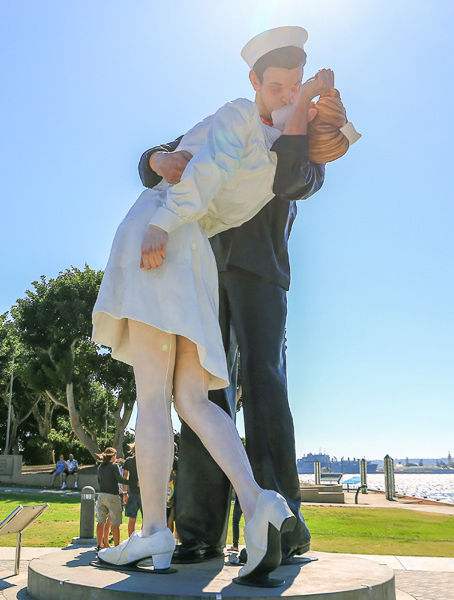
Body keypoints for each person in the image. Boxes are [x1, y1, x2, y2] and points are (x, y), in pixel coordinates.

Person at [92, 27, 343, 582]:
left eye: (291, 86)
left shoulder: (300, 135)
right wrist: (159, 158)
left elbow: (297, 181)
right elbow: (165, 160)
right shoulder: (233, 120)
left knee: (259, 384)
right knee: (204, 392)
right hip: (199, 261)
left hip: (255, 269)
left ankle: (284, 521)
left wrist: (306, 122)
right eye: (274, 84)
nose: (282, 94)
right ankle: (199, 533)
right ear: (257, 82)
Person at [96, 447, 130, 550]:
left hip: (101, 495)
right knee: (115, 523)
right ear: (113, 456)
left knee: (101, 521)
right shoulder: (114, 466)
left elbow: (100, 481)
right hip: (112, 497)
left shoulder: (101, 467)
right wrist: (133, 482)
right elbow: (119, 479)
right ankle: (116, 547)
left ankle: (100, 545)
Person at [122, 444, 142, 535]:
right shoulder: (145, 460)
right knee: (146, 519)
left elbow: (124, 477)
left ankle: (131, 540)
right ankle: (143, 539)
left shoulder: (129, 461)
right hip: (144, 493)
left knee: (132, 519)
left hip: (132, 492)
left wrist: (125, 493)